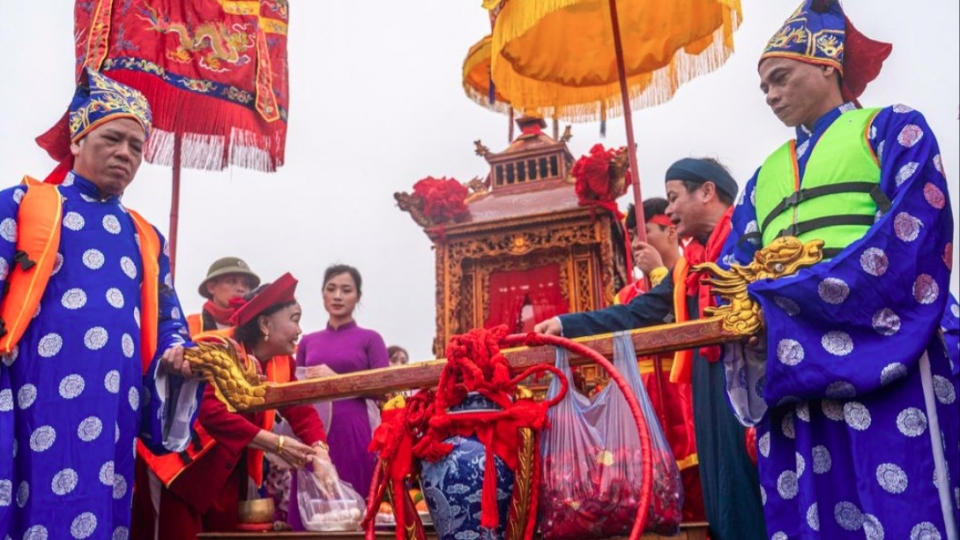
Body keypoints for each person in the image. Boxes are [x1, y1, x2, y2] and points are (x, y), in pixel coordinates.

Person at [719, 1, 959, 538]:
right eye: (764, 89)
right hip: (793, 365)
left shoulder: (892, 129)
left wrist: (796, 302)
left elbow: (914, 231)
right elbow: (734, 266)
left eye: (780, 78)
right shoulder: (762, 178)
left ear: (828, 65)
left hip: (889, 342)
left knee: (903, 501)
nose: (771, 96)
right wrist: (747, 313)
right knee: (814, 513)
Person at [0, 68, 199, 538]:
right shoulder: (24, 204)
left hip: (114, 404)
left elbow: (170, 319)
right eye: (112, 138)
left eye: (136, 146)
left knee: (103, 513)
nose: (125, 154)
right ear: (76, 140)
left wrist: (179, 353)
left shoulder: (146, 236)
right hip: (32, 395)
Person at [535, 157, 766, 540]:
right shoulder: (688, 268)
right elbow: (636, 313)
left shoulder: (749, 244)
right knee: (721, 499)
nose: (670, 209)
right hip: (708, 388)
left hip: (753, 382)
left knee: (755, 490)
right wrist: (565, 325)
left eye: (674, 198)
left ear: (707, 192)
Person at [138, 273, 333, 538]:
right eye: (294, 319)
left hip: (228, 471)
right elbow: (210, 412)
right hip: (182, 468)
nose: (300, 330)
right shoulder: (216, 346)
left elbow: (300, 409)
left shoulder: (283, 362)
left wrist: (321, 453)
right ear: (265, 323)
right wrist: (276, 443)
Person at [614, 198, 705, 524]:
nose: (637, 244)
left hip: (683, 398)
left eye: (645, 232)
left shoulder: (693, 275)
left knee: (697, 497)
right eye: (631, 237)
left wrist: (657, 272)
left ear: (670, 232)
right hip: (642, 404)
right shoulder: (625, 297)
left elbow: (670, 318)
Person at [295, 264, 389, 514]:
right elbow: (293, 388)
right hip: (313, 432)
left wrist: (337, 380)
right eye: (331, 289)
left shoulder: (371, 339)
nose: (337, 296)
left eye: (346, 290)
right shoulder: (307, 341)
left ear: (358, 296)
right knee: (313, 504)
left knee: (356, 506)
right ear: (322, 294)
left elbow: (385, 391)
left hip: (353, 430)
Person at [186, 256, 261, 336]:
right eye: (232, 281)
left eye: (246, 284)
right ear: (211, 287)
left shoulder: (258, 326)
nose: (241, 289)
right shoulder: (189, 324)